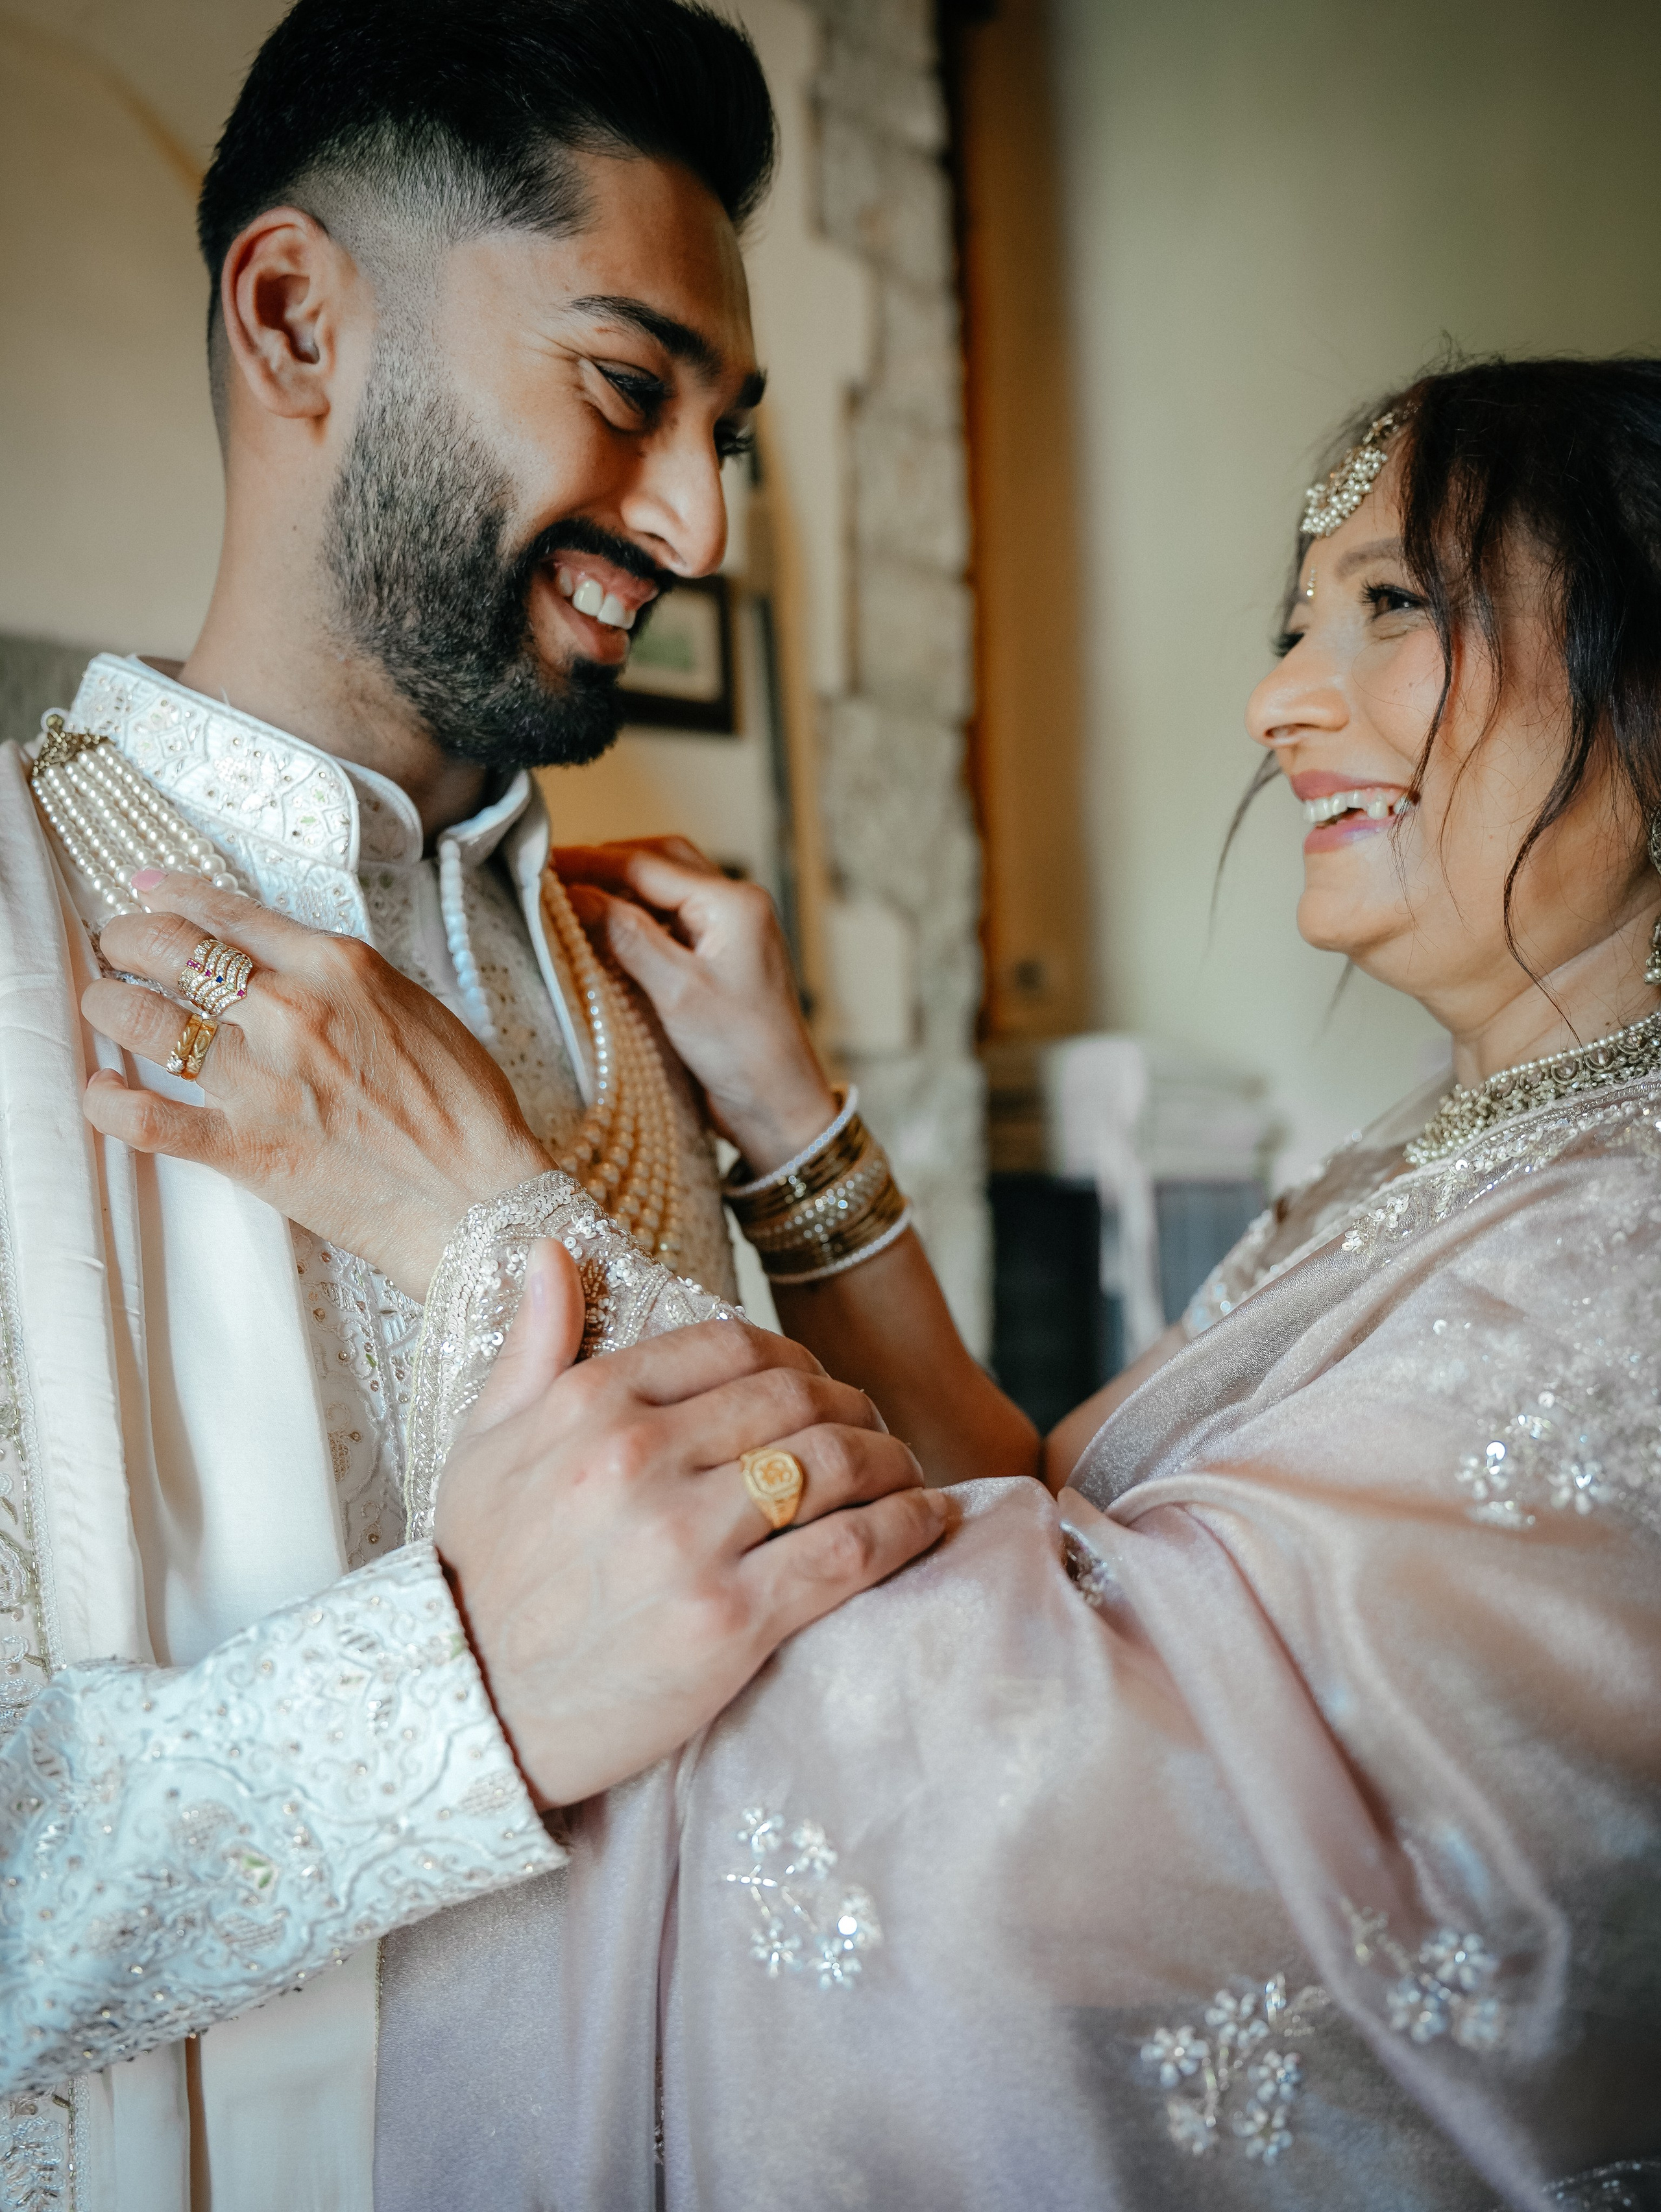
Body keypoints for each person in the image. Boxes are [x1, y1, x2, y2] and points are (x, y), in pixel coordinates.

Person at [65, 361, 1661, 2207]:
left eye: (1397, 605)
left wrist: (479, 1212)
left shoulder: (1623, 1249)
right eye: (1301, 622)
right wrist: (789, 1118)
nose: (1279, 701)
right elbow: (1054, 1527)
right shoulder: (1464, 1147)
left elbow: (1077, 1801)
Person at [0, 5, 953, 2205]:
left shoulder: (646, 981)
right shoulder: (28, 920)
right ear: (296, 319)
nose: (700, 522)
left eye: (731, 435)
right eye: (631, 392)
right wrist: (458, 1698)